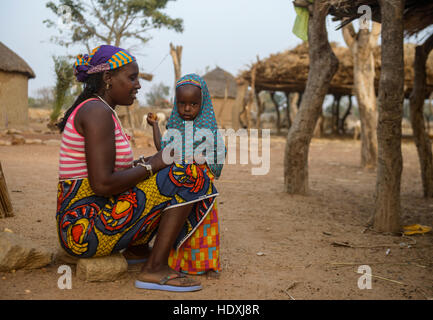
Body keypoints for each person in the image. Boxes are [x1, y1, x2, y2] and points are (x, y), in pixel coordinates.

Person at [55, 45, 219, 292]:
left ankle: (137, 248)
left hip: (90, 221)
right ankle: (154, 268)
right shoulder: (96, 111)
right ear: (108, 78)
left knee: (174, 169)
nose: (138, 85)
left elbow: (112, 175)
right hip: (82, 232)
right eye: (132, 78)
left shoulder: (101, 110)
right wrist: (153, 164)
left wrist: (153, 163)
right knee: (188, 174)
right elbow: (102, 184)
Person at [146, 74, 225, 277]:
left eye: (193, 104)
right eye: (182, 103)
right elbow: (162, 152)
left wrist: (202, 159)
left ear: (203, 103)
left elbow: (217, 153)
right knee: (176, 225)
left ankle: (207, 266)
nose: (187, 109)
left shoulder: (209, 130)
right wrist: (155, 126)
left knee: (203, 229)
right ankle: (176, 263)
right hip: (179, 190)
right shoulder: (175, 127)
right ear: (176, 103)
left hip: (202, 190)